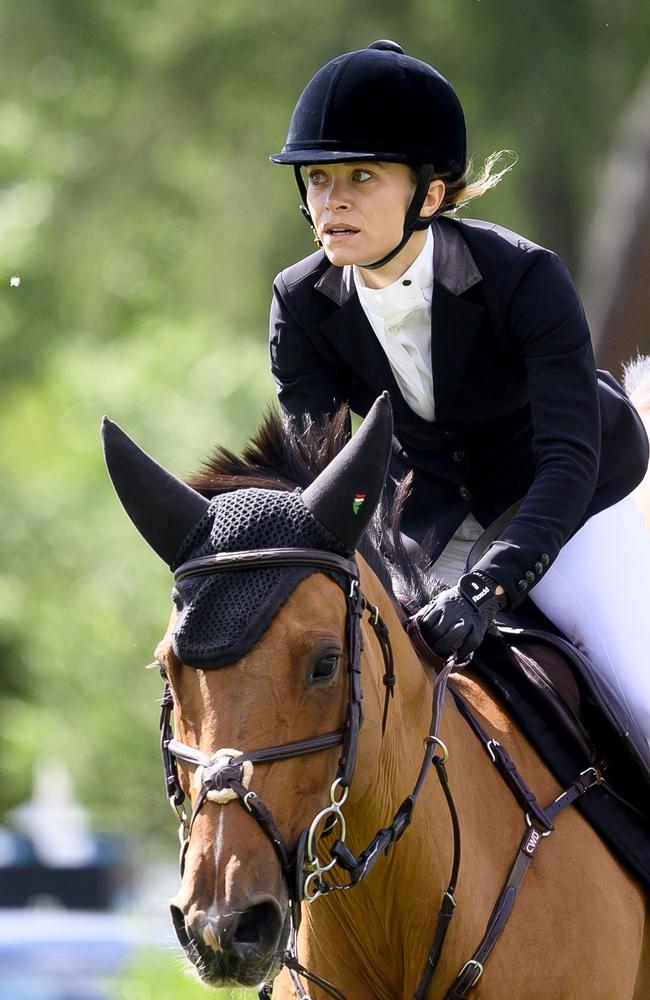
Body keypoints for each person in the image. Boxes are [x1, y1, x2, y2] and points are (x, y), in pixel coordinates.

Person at [267, 40, 650, 744]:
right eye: (318, 178)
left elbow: (569, 458)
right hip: (437, 520)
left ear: (431, 194)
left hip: (575, 503)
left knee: (645, 704)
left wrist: (490, 586)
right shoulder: (301, 302)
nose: (332, 199)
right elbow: (329, 477)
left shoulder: (524, 278)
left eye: (361, 176)